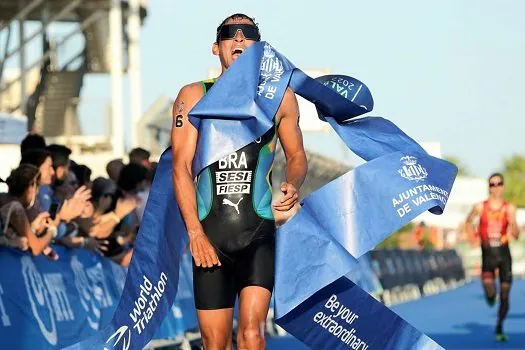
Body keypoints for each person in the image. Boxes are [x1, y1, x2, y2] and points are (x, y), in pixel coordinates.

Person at [171, 13, 307, 350]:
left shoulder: (279, 98)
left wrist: (292, 182)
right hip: (210, 238)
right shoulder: (193, 96)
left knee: (251, 334)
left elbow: (297, 156)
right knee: (214, 343)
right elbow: (180, 168)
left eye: (248, 36)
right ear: (216, 48)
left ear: (259, 48)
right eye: (231, 35)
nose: (240, 41)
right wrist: (195, 234)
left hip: (257, 233)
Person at [465, 173, 519, 341]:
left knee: (504, 295)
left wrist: (513, 223)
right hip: (487, 256)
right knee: (490, 293)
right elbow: (468, 221)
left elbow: (516, 235)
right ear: (489, 187)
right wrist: (472, 237)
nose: (495, 187)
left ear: (503, 187)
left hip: (504, 256)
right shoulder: (480, 207)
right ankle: (490, 297)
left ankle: (499, 326)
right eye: (492, 184)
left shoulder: (509, 208)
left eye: (499, 183)